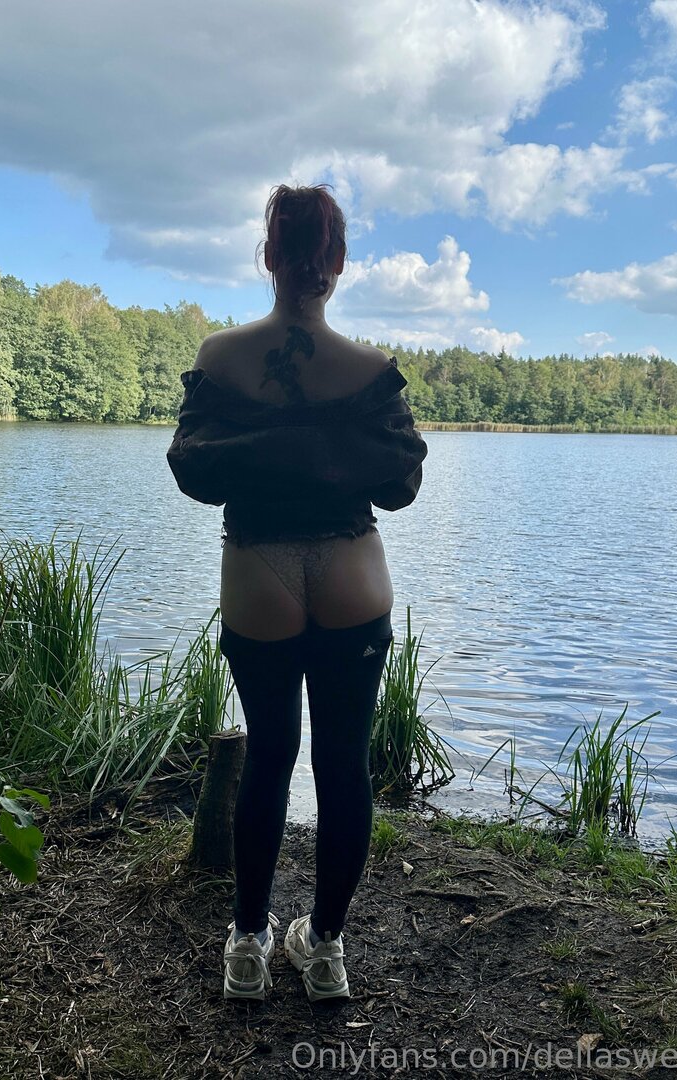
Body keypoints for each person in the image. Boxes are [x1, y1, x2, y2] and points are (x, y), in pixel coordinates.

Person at [166, 182, 427, 1002]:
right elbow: (400, 488)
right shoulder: (371, 371)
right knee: (343, 765)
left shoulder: (220, 357)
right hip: (353, 574)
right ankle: (326, 949)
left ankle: (248, 945)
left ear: (270, 254)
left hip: (258, 575)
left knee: (269, 759)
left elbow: (196, 476)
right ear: (337, 260)